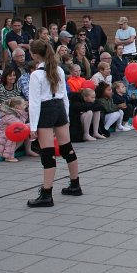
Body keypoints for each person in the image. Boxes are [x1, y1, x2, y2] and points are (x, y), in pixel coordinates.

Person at [25, 40, 80, 208]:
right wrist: (67, 117)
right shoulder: (58, 69)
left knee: (48, 153)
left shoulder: (36, 74)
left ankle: (46, 194)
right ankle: (75, 184)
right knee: (67, 147)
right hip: (59, 108)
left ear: (34, 55)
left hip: (46, 110)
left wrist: (33, 127)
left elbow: (34, 103)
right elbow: (64, 96)